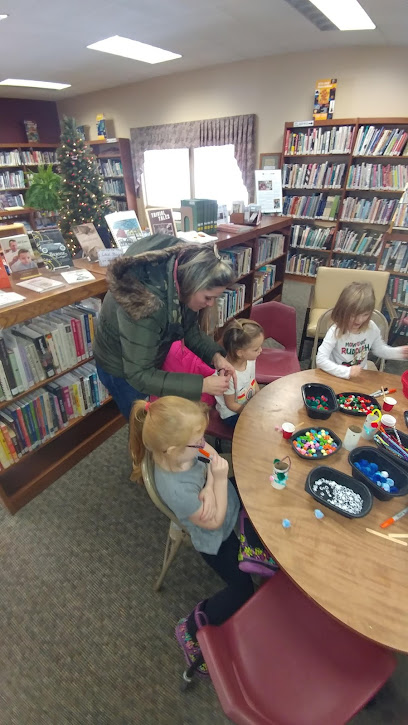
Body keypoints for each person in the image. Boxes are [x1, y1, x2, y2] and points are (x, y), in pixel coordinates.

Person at [129, 396, 277, 675]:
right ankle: (192, 627)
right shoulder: (178, 491)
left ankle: (254, 548)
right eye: (196, 440)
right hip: (214, 537)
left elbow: (210, 453)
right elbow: (215, 522)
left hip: (223, 502)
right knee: (243, 590)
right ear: (173, 449)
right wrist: (218, 480)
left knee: (259, 491)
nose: (202, 442)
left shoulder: (179, 449)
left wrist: (211, 484)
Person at [93, 234, 237, 419]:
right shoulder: (146, 304)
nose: (210, 304)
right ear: (193, 285)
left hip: (144, 359)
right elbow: (138, 375)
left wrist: (215, 356)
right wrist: (202, 385)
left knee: (157, 420)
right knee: (146, 428)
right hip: (120, 367)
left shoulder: (181, 279)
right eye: (208, 297)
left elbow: (188, 327)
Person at [316, 282, 408, 379]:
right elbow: (321, 359)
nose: (359, 320)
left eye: (365, 315)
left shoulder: (371, 327)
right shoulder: (336, 330)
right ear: (343, 311)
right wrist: (347, 371)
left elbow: (380, 350)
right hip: (336, 375)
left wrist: (400, 352)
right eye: (353, 315)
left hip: (360, 376)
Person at [214, 319, 264, 428]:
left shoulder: (250, 360)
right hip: (232, 414)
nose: (261, 350)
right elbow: (230, 404)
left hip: (247, 403)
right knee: (257, 428)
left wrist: (258, 397)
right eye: (256, 349)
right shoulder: (228, 375)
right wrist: (251, 412)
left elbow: (252, 380)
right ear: (240, 353)